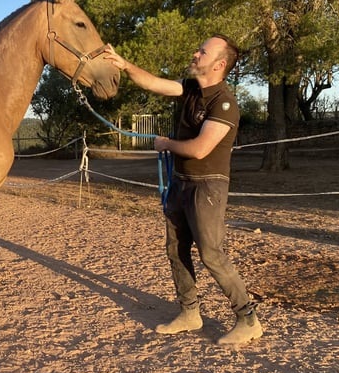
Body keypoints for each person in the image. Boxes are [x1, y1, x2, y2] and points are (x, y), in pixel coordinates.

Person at [103, 36, 262, 346]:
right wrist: (124, 64)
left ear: (218, 64)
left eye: (202, 51)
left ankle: (248, 319)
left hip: (208, 186)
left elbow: (201, 149)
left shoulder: (224, 103)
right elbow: (153, 83)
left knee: (211, 255)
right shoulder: (190, 89)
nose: (195, 52)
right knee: (175, 250)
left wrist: (166, 144)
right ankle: (189, 312)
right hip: (180, 181)